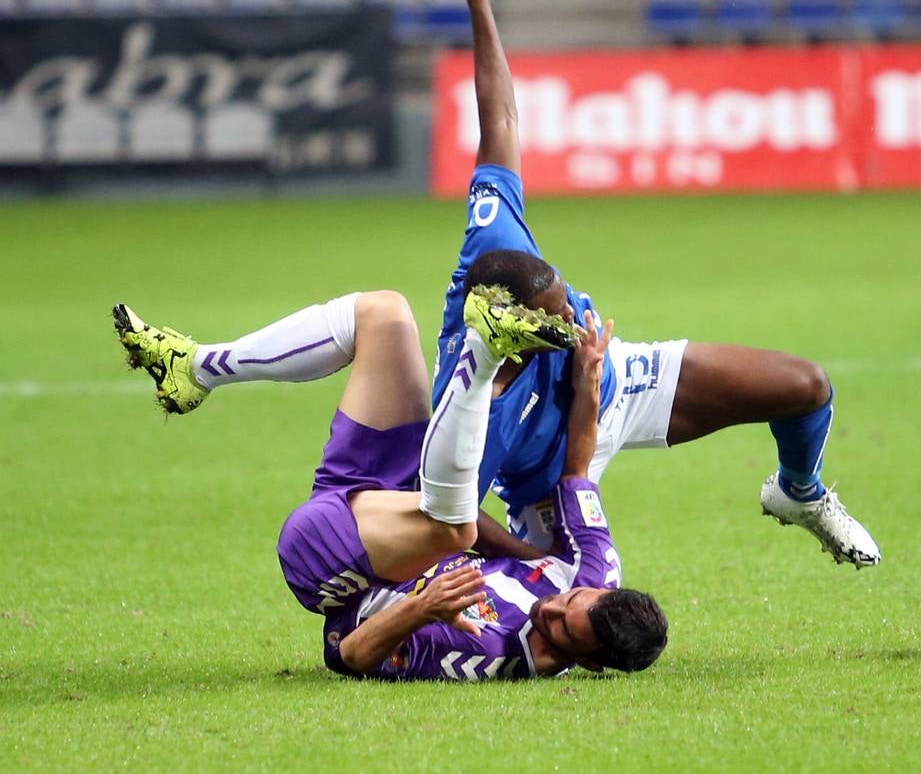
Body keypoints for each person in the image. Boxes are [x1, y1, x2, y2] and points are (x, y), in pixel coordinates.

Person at [413, 0, 882, 569]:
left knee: (804, 385)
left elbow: (500, 116)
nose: (570, 320)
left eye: (563, 301)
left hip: (614, 384)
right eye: (554, 319)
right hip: (545, 480)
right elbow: (449, 517)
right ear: (510, 332)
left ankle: (798, 494)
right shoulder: (468, 410)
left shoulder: (496, 236)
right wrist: (530, 558)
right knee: (584, 614)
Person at [113, 288, 667, 680]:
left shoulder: (485, 654)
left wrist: (421, 608)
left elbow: (350, 655)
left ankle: (485, 351)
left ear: (589, 662)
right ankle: (194, 368)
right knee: (384, 315)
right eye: (569, 599)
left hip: (331, 563)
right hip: (385, 495)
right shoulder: (595, 570)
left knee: (454, 530)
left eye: (562, 627)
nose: (552, 607)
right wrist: (589, 383)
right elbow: (576, 474)